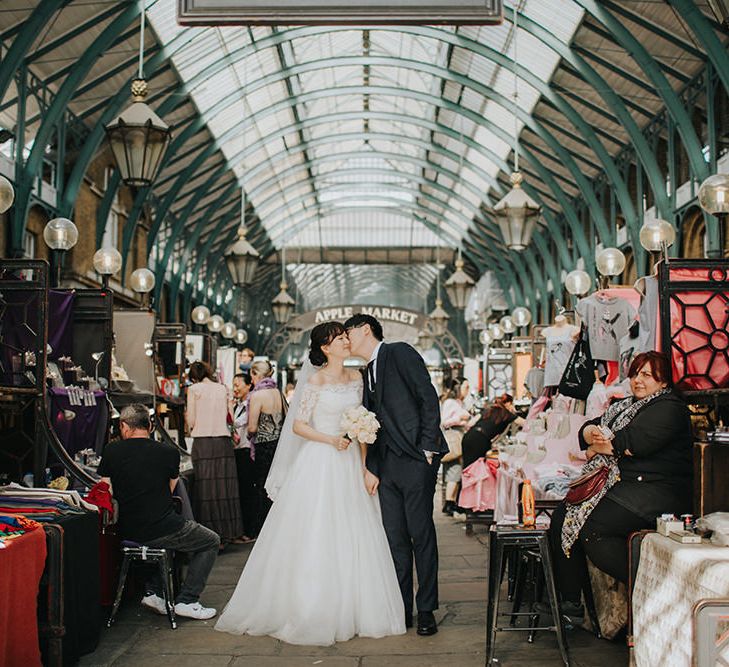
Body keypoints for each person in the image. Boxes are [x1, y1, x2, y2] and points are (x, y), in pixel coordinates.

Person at [215, 322, 405, 645]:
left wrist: (364, 467)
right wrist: (331, 439)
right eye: (339, 338)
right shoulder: (315, 381)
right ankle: (313, 606)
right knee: (318, 530)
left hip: (348, 462)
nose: (346, 341)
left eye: (346, 336)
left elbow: (360, 427)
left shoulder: (357, 379)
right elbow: (299, 426)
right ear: (325, 348)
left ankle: (355, 606)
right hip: (320, 459)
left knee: (355, 530)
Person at [543, 351, 692, 621]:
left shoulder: (669, 407)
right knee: (564, 516)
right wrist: (592, 437)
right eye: (635, 374)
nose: (638, 380)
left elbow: (630, 443)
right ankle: (571, 601)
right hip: (626, 485)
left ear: (663, 381)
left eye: (647, 375)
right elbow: (589, 429)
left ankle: (653, 587)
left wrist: (599, 445)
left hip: (657, 491)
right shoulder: (624, 406)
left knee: (592, 528)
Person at [345, 314, 449, 636]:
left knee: (421, 535)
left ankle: (427, 608)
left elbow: (427, 397)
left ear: (365, 330)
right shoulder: (367, 372)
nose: (346, 340)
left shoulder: (400, 352)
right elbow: (372, 422)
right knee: (395, 540)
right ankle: (402, 607)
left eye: (349, 333)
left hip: (415, 461)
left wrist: (428, 449)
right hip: (386, 467)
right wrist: (372, 467)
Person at [98, 404, 219, 620]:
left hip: (128, 528)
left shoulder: (110, 451)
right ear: (151, 425)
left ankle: (156, 593)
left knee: (172, 537)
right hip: (161, 526)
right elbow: (169, 491)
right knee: (210, 541)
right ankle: (188, 599)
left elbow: (107, 491)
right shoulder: (168, 453)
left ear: (124, 426)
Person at [186, 361, 244, 546]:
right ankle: (228, 533)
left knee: (206, 490)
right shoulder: (222, 389)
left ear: (194, 376)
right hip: (223, 443)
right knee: (225, 489)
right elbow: (231, 418)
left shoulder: (194, 390)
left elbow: (192, 420)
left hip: (202, 443)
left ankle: (209, 536)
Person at [247, 359, 286, 529]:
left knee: (262, 487)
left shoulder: (257, 396)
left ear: (256, 374)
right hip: (279, 444)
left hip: (263, 446)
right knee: (277, 485)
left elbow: (252, 426)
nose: (251, 381)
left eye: (252, 377)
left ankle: (264, 526)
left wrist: (248, 435)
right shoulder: (278, 393)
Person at [461, 394, 522, 469]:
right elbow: (525, 423)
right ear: (509, 403)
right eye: (513, 404)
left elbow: (470, 424)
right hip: (481, 440)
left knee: (468, 468)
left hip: (468, 436)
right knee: (478, 469)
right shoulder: (507, 414)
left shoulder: (488, 410)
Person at [231, 372, 257, 541]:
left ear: (248, 385)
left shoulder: (251, 404)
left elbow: (236, 423)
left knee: (248, 492)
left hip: (247, 451)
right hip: (238, 451)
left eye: (238, 384)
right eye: (234, 385)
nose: (235, 388)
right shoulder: (239, 405)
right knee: (241, 491)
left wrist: (227, 408)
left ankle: (250, 531)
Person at [440, 378, 470, 516]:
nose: (467, 390)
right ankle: (449, 502)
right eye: (466, 387)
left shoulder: (458, 402)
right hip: (453, 438)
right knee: (454, 470)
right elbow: (444, 421)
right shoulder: (450, 402)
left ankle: (452, 501)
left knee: (456, 469)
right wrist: (461, 419)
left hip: (459, 437)